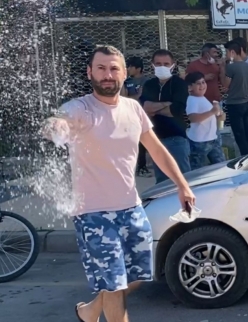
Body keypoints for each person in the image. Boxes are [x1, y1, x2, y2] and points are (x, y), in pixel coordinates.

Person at [41, 45, 195, 322]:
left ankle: (89, 311)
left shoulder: (133, 108)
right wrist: (55, 126)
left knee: (136, 276)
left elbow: (158, 150)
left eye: (113, 69)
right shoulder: (81, 108)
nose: (107, 74)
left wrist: (183, 186)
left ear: (124, 73)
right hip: (93, 214)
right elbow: (61, 120)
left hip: (131, 209)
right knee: (114, 287)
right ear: (90, 72)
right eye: (101, 68)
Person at [140, 49, 191, 183]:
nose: (162, 67)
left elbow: (176, 110)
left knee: (182, 179)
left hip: (176, 138)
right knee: (162, 182)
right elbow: (145, 108)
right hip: (156, 139)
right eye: (158, 63)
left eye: (166, 64)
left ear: (173, 65)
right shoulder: (149, 85)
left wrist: (154, 108)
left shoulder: (179, 84)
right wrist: (166, 104)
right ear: (152, 65)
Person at [185, 71, 226, 170]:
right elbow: (193, 118)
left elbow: (210, 116)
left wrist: (219, 116)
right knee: (196, 170)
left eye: (203, 82)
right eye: (198, 83)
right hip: (199, 142)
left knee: (222, 167)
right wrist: (212, 112)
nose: (202, 85)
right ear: (190, 87)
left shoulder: (203, 98)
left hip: (212, 139)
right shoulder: (192, 100)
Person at [220, 39, 248, 156]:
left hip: (234, 104)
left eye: (227, 53)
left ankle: (245, 158)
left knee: (239, 135)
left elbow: (225, 84)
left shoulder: (231, 67)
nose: (226, 55)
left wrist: (222, 67)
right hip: (245, 103)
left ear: (232, 52)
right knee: (247, 134)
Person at [120, 56, 151, 176]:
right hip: (131, 115)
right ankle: (140, 167)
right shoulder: (127, 82)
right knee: (137, 142)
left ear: (138, 69)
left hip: (147, 114)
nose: (128, 69)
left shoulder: (147, 81)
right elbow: (123, 99)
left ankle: (146, 165)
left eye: (130, 67)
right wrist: (137, 96)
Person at [232, 37, 248, 153]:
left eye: (232, 51)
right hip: (240, 102)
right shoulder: (238, 64)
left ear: (240, 49)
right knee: (239, 133)